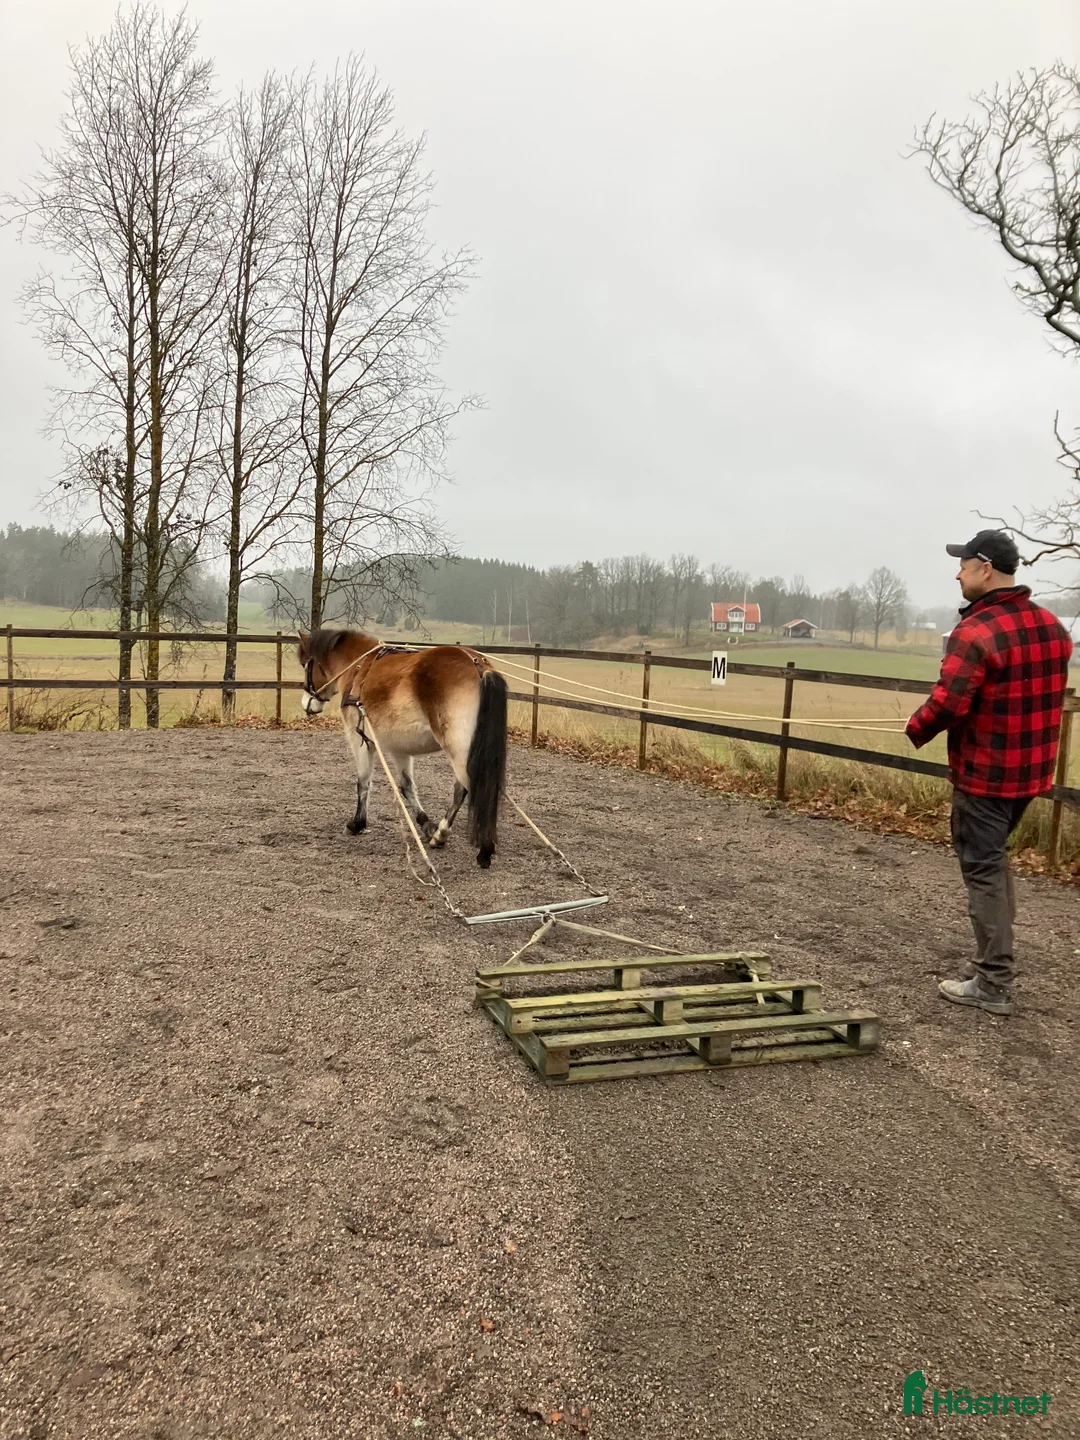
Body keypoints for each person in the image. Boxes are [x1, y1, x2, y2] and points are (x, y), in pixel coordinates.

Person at [906, 529, 1073, 1016]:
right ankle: (989, 965)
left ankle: (993, 981)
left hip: (985, 776)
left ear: (984, 568)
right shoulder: (1052, 628)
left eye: (962, 564)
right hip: (1030, 776)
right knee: (994, 864)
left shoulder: (975, 631)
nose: (956, 572)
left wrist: (914, 726)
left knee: (982, 870)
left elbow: (949, 702)